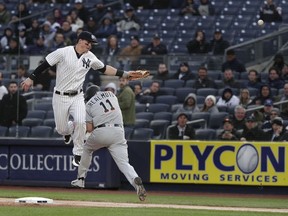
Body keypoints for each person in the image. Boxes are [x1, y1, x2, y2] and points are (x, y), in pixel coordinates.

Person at [21, 31, 142, 167]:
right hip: (60, 96)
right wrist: (31, 78)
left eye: (91, 44)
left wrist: (125, 74)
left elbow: (104, 68)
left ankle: (78, 153)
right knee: (61, 129)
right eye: (87, 42)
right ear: (80, 40)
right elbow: (45, 64)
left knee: (80, 121)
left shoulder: (90, 57)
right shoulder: (63, 52)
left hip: (78, 95)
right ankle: (68, 130)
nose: (89, 46)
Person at [71, 85, 147, 201]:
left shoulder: (88, 104)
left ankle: (80, 179)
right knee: (124, 163)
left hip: (102, 131)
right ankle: (136, 182)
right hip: (119, 132)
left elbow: (90, 128)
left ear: (89, 95)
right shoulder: (112, 95)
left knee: (86, 149)